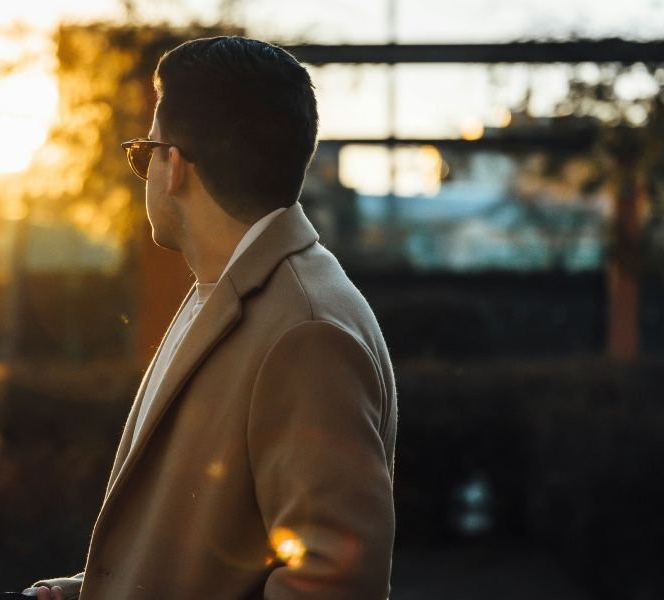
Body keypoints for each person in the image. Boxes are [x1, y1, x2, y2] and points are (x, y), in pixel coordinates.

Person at [23, 36, 397, 600]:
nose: (142, 170)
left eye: (143, 152)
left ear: (173, 166)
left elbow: (332, 584)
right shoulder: (231, 287)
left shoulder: (305, 330)